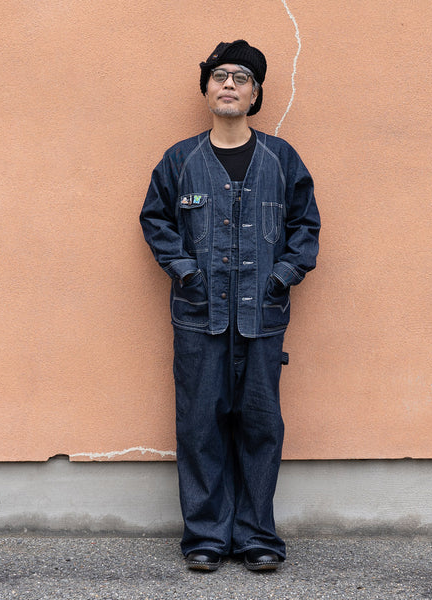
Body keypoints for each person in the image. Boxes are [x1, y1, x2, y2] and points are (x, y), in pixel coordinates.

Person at [140, 40, 320, 572]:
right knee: (200, 427)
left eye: (242, 78)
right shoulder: (180, 160)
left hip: (262, 318)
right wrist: (185, 270)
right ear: (206, 89)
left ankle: (257, 536)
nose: (229, 85)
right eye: (220, 76)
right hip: (199, 318)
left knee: (261, 427)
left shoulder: (281, 159)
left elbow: (305, 227)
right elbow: (156, 220)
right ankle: (206, 537)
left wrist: (282, 277)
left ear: (255, 94)